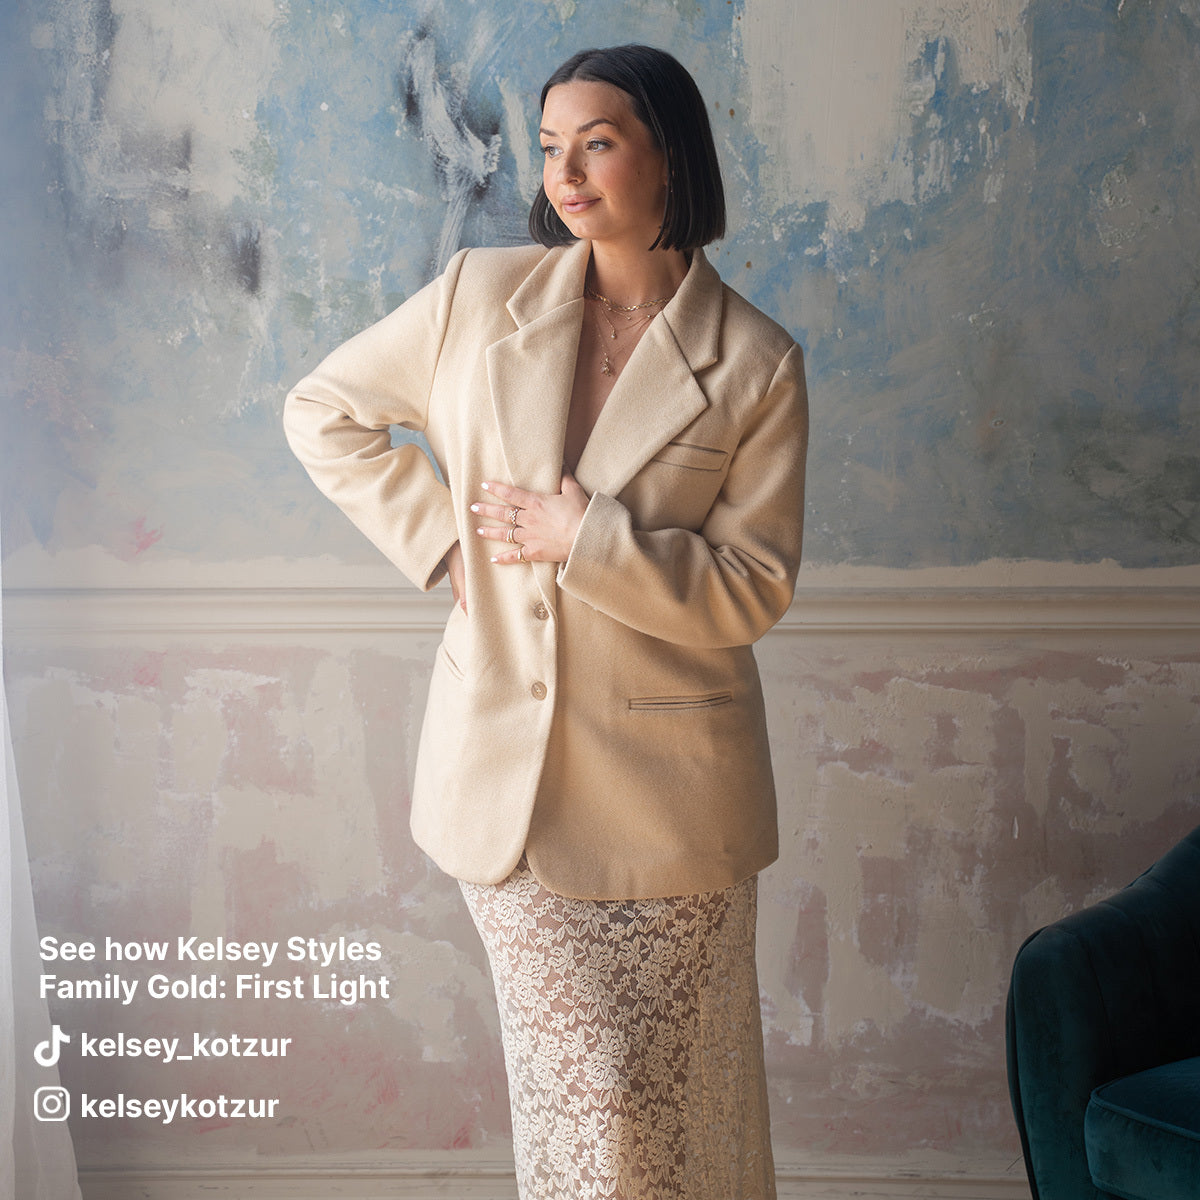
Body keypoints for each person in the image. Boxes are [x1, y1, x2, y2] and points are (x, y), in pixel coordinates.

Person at [284, 43, 808, 1200]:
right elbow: (322, 410)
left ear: (671, 152)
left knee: (681, 1105)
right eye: (551, 145)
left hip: (676, 808)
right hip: (502, 796)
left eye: (600, 142)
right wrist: (440, 546)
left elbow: (751, 589)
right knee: (591, 1090)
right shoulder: (481, 295)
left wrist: (592, 542)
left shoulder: (758, 364)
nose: (565, 172)